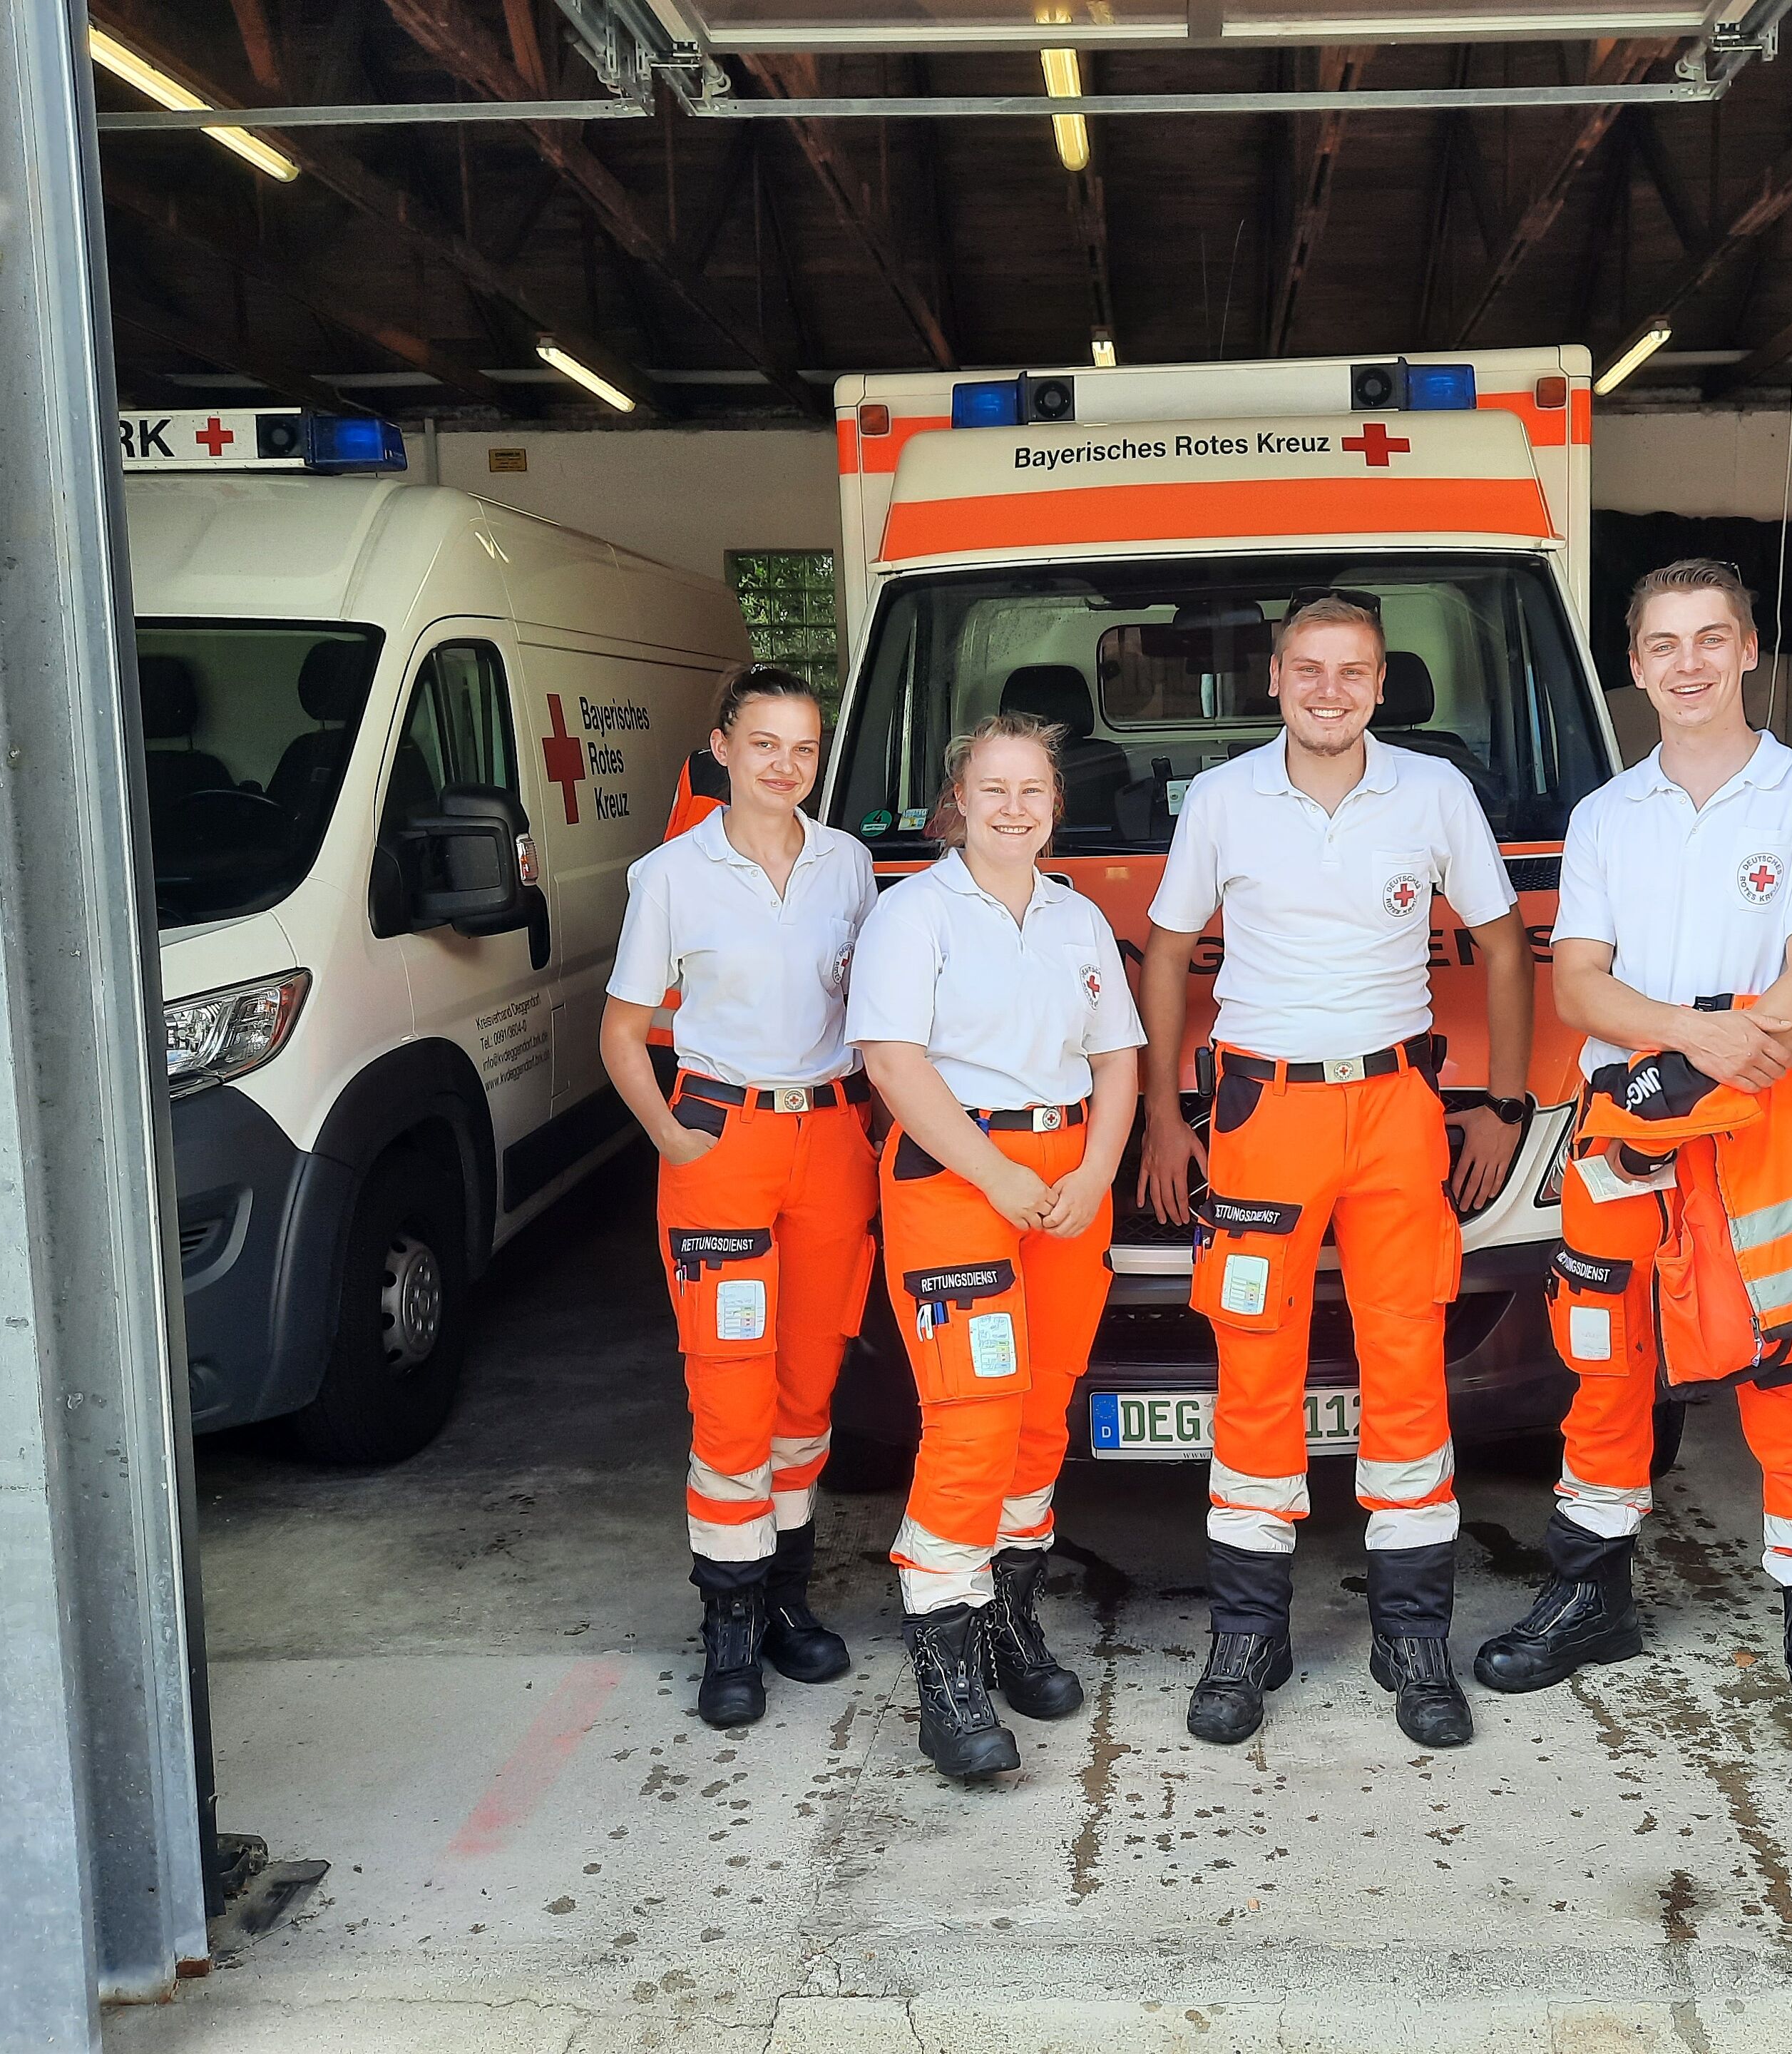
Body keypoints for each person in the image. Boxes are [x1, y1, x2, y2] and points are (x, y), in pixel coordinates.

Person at [1472, 558, 1792, 1789]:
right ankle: (1591, 1601)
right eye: (1665, 644)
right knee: (1605, 1373)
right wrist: (1686, 1035)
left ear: (1749, 649)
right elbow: (1577, 985)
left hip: (1764, 1125)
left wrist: (1719, 1049)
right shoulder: (1607, 815)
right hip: (1629, 1124)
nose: (1690, 663)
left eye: (1712, 639)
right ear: (1637, 663)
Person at [1137, 595, 1535, 1751]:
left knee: (1406, 1363)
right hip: (1263, 1111)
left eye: (1351, 670)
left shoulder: (1434, 793)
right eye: (1308, 669)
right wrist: (1169, 1117)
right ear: (1274, 679)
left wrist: (1504, 1102)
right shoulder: (1221, 801)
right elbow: (1167, 953)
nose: (1328, 689)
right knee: (1254, 1367)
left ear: (1379, 684)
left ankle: (1411, 1635)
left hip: (1398, 1110)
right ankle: (1247, 1635)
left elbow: (1504, 943)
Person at [848, 712, 1145, 1780]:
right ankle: (948, 1670)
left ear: (1055, 805)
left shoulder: (1078, 922)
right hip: (960, 1177)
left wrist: (1097, 1172)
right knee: (971, 1416)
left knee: (1040, 1408)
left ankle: (1011, 1617)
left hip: (1070, 1181)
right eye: (994, 789)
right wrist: (1000, 1174)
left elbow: (1117, 1061)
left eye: (1034, 790)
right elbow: (892, 1062)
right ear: (957, 800)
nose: (1015, 808)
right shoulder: (912, 915)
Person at [598, 666, 881, 1731]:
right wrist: (674, 1137)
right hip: (720, 1139)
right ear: (721, 746)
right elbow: (623, 1033)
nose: (785, 765)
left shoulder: (848, 863)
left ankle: (786, 1605)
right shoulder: (671, 874)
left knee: (807, 1390)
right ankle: (727, 1623)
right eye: (764, 743)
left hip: (830, 1139)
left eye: (803, 747)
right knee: (730, 1394)